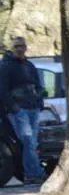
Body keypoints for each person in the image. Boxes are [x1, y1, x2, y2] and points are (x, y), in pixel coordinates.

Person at [0, 36, 47, 184]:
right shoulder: (5, 66)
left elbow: (38, 86)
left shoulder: (29, 65)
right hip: (19, 110)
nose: (20, 49)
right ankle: (34, 173)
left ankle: (31, 172)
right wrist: (14, 108)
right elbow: (2, 90)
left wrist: (39, 101)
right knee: (28, 140)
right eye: (16, 47)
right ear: (12, 48)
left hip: (33, 109)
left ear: (26, 48)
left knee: (32, 142)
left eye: (22, 46)